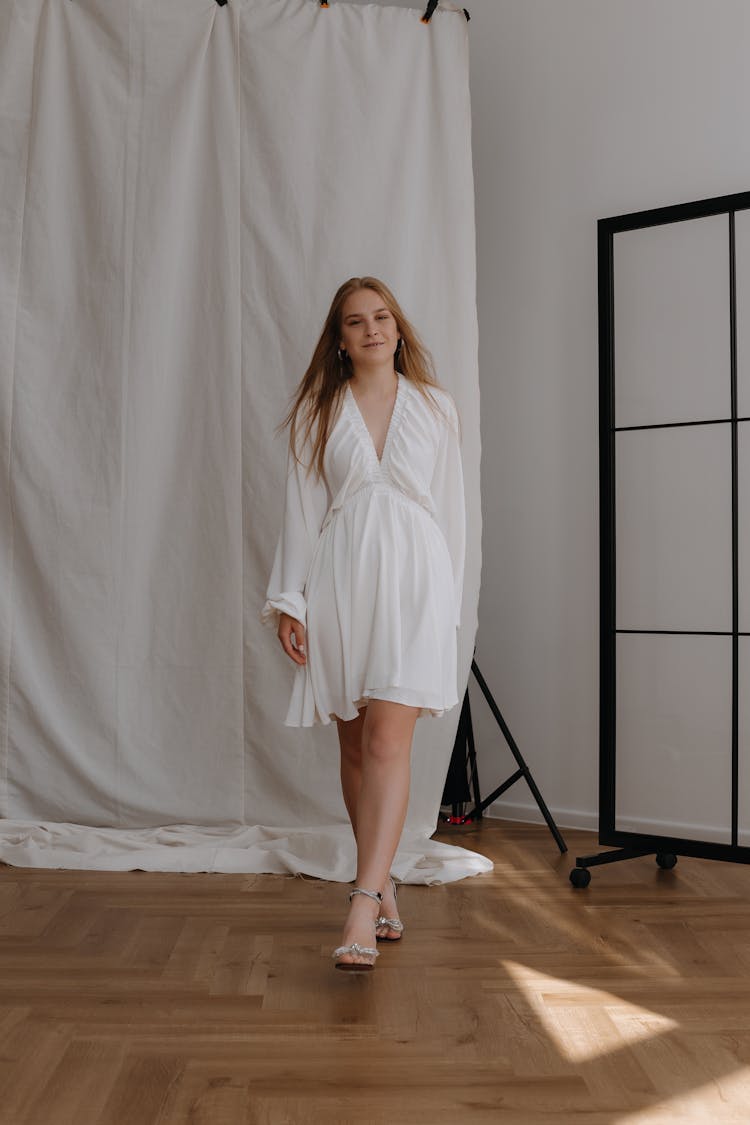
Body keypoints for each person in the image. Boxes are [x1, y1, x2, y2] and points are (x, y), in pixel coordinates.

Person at [260, 276, 466, 972]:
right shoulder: (318, 414)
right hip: (342, 582)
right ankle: (382, 883)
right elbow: (300, 511)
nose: (373, 329)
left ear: (399, 329)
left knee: (386, 741)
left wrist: (451, 608)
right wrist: (291, 598)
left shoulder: (437, 409)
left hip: (415, 585)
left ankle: (359, 898)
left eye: (382, 317)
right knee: (353, 746)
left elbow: (453, 515)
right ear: (341, 340)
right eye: (356, 321)